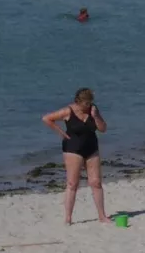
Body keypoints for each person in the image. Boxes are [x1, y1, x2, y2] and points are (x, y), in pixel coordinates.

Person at [42, 88, 109, 225]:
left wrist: (95, 116)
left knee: (96, 182)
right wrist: (60, 132)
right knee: (72, 183)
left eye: (90, 103)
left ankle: (102, 216)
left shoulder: (93, 109)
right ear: (78, 102)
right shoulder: (68, 111)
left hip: (91, 148)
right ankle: (68, 218)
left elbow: (103, 129)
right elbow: (47, 118)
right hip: (73, 149)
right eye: (86, 104)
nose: (88, 106)